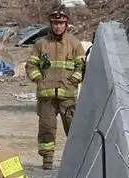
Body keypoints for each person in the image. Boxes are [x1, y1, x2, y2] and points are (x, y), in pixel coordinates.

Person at [24, 6, 86, 169]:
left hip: (68, 95)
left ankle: (77, 160)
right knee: (46, 128)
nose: (58, 26)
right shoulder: (40, 44)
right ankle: (47, 161)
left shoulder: (74, 43)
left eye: (61, 23)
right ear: (51, 24)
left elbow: (82, 65)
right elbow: (31, 65)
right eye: (55, 23)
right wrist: (39, 79)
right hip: (46, 97)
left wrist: (75, 79)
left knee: (73, 129)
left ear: (66, 24)